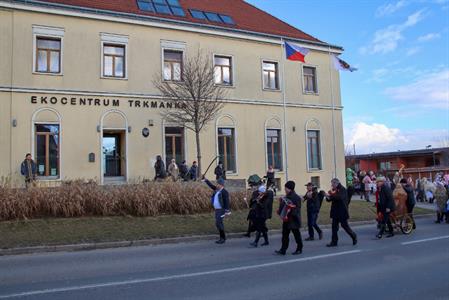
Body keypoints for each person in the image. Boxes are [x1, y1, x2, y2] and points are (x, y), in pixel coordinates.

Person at [326, 178, 357, 247]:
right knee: (334, 227)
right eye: (331, 184)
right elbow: (330, 199)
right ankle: (334, 242)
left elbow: (339, 197)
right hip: (335, 211)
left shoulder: (342, 189)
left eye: (333, 183)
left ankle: (354, 236)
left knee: (345, 226)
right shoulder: (334, 190)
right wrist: (327, 197)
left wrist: (331, 194)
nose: (332, 185)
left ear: (336, 183)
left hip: (342, 211)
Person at [275, 181, 303, 255]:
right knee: (284, 235)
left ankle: (299, 248)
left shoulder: (296, 197)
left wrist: (291, 209)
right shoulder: (286, 196)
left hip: (294, 220)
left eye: (286, 188)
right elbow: (283, 206)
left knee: (296, 235)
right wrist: (280, 210)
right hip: (286, 219)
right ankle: (283, 250)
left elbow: (297, 209)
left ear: (289, 188)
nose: (284, 189)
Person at [203, 176, 230, 244]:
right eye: (217, 184)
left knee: (218, 223)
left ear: (221, 185)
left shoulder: (224, 192)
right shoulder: (217, 190)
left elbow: (227, 202)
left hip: (222, 210)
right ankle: (223, 237)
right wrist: (206, 180)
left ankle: (222, 238)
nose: (216, 185)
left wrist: (227, 211)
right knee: (219, 223)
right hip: (217, 210)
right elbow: (211, 186)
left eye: (218, 184)